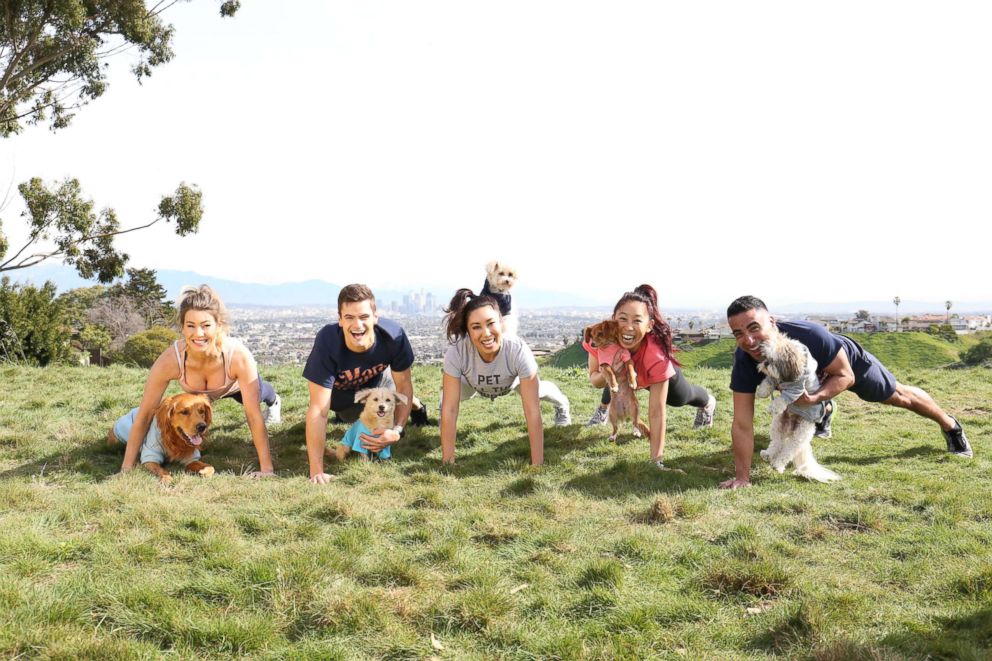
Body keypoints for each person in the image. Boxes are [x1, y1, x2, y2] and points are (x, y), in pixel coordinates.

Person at [720, 295, 973, 490]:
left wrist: (816, 398)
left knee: (897, 396)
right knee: (788, 401)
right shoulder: (745, 360)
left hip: (846, 365)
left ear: (772, 322)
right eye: (738, 333)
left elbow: (845, 376)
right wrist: (743, 478)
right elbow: (742, 423)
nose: (748, 340)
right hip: (803, 384)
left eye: (754, 328)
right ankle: (824, 411)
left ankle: (950, 425)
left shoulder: (812, 336)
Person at [118, 285, 278, 477]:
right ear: (183, 327)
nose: (198, 333)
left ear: (219, 326)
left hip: (232, 387)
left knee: (260, 394)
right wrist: (126, 469)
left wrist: (267, 469)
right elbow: (145, 414)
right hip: (197, 398)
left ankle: (274, 400)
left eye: (206, 325)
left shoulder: (238, 356)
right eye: (191, 326)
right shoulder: (171, 360)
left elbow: (253, 416)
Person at [303, 284, 430, 484]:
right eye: (349, 318)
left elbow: (403, 386)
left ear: (375, 317)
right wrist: (317, 471)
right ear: (340, 320)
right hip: (344, 399)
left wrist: (397, 431)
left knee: (392, 397)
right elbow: (318, 410)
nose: (358, 325)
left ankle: (417, 407)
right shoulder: (327, 342)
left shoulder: (393, 336)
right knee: (350, 417)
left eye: (364, 317)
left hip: (381, 384)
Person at [586, 285, 716, 468]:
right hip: (625, 378)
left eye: (637, 321)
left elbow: (656, 412)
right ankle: (603, 409)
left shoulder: (655, 356)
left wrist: (656, 460)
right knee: (612, 379)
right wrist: (608, 373)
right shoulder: (599, 336)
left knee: (682, 398)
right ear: (613, 319)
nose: (628, 327)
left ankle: (708, 402)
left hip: (655, 375)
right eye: (623, 318)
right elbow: (594, 378)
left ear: (649, 326)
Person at [440, 288, 572, 466]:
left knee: (538, 391)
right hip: (472, 382)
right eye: (476, 327)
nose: (486, 333)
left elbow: (532, 411)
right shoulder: (457, 352)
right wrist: (448, 463)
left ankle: (562, 403)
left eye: (490, 323)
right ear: (468, 331)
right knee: (448, 401)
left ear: (502, 323)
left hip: (512, 381)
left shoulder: (517, 349)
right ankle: (445, 412)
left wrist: (537, 464)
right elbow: (450, 411)